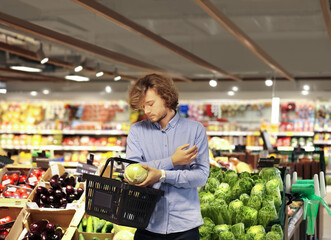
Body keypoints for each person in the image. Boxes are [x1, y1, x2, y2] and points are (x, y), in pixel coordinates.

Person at [126, 73, 209, 240]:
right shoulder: (137, 131)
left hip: (185, 227)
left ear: (166, 97)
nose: (146, 111)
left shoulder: (195, 130)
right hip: (147, 223)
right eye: (143, 106)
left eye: (150, 104)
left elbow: (200, 177)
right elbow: (132, 172)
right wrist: (173, 161)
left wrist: (162, 175)